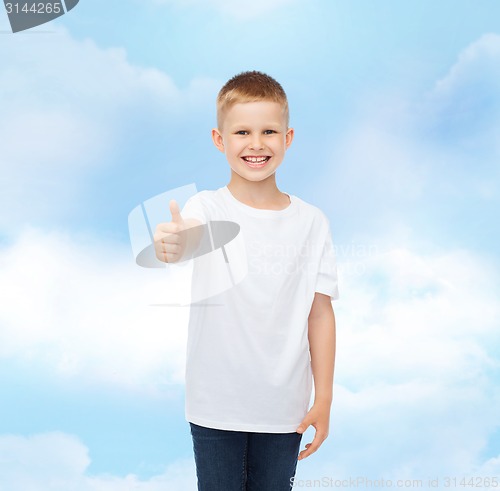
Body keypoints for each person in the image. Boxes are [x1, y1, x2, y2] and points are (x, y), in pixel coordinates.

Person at [153, 70, 339, 491]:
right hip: (214, 404)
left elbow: (320, 313)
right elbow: (184, 239)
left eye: (268, 131)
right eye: (242, 132)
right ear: (220, 141)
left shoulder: (312, 222)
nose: (256, 143)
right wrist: (172, 243)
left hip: (285, 408)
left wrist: (323, 398)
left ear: (288, 138)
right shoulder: (207, 207)